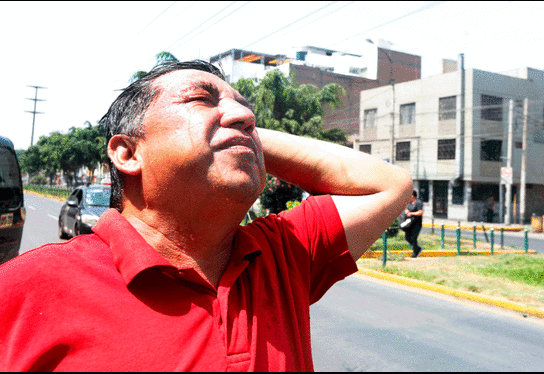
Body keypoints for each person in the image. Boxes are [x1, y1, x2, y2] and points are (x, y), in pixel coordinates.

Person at [0, 60, 412, 371]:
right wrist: (230, 131)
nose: (246, 116)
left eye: (246, 110)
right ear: (127, 152)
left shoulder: (282, 255)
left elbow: (388, 184)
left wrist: (239, 136)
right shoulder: (28, 287)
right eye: (202, 99)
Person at [404, 190, 424, 258]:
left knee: (413, 238)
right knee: (407, 237)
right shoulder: (409, 203)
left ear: (413, 195)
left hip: (417, 224)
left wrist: (411, 214)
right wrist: (406, 212)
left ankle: (415, 252)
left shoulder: (418, 202)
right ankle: (418, 249)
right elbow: (406, 209)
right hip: (410, 223)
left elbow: (420, 212)